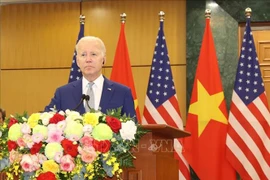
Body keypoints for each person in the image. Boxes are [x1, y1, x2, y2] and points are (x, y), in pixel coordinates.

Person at [45, 36, 136, 119]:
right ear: (77, 61)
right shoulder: (63, 93)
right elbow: (46, 120)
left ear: (103, 60)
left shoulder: (122, 93)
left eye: (93, 54)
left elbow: (133, 129)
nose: (88, 60)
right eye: (83, 55)